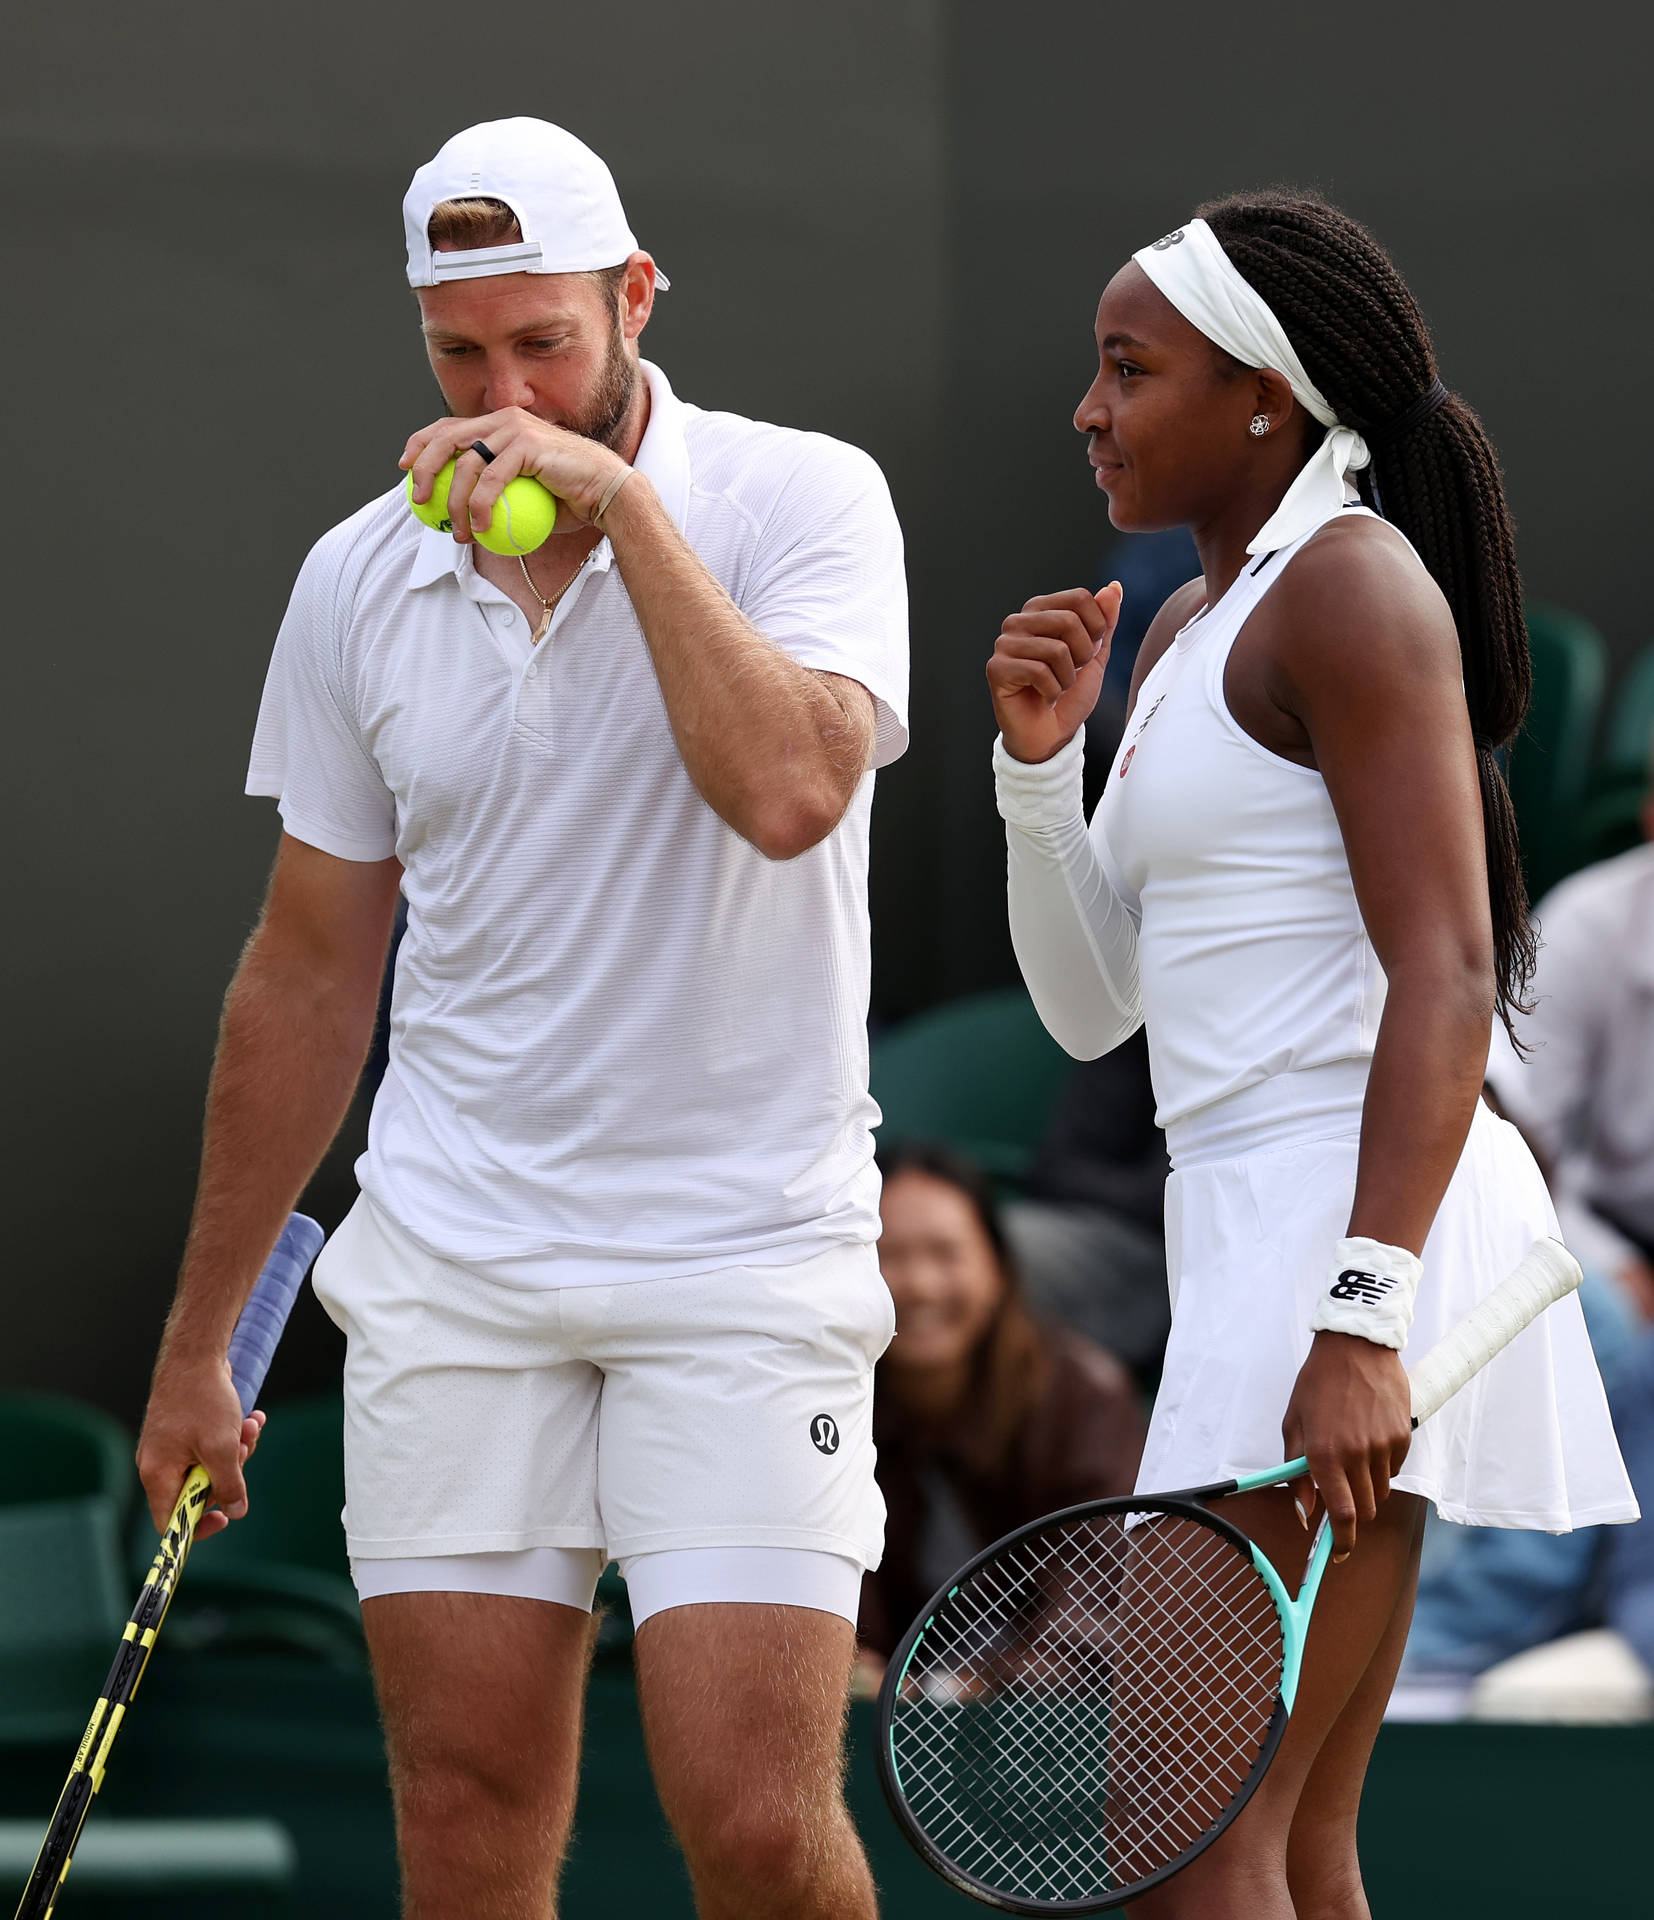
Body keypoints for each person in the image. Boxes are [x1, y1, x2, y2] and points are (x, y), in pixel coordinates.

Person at [136, 118, 908, 1920]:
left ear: (636, 301)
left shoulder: (802, 499)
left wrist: (621, 506)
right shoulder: (355, 576)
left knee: (758, 1831)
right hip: (455, 1263)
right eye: (459, 354)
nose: (502, 395)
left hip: (742, 1255)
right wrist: (197, 1347)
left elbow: (792, 788)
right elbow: (312, 968)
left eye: (544, 341)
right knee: (467, 1827)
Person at [987, 194, 1635, 1918]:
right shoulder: (1201, 632)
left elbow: (1441, 971)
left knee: (1180, 1841)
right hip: (1268, 1231)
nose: (1088, 407)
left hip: (1347, 1234)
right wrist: (1035, 778)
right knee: (1276, 1841)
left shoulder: (1346, 589)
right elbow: (1088, 1009)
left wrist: (1356, 1315)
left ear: (1263, 395)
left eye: (1128, 370)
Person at [857, 1142, 1146, 1673]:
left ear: (998, 1267)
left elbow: (1097, 1608)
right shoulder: (828, 1417)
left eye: (945, 1253)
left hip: (1037, 1729)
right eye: (889, 1257)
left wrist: (972, 1687)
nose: (919, 1285)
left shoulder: (1083, 1399)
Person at [1485, 729, 1654, 1305]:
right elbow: (1515, 1155)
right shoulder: (1584, 926)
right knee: (1598, 1315)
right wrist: (1615, 1265)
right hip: (1606, 1240)